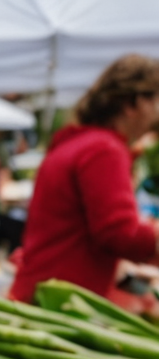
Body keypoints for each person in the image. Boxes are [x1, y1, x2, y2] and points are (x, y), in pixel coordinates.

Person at [9, 55, 159, 302]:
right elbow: (119, 232)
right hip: (61, 300)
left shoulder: (76, 142)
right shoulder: (104, 149)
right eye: (155, 99)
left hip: (45, 289)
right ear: (133, 103)